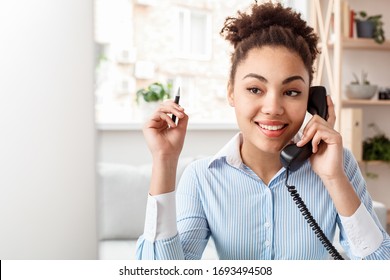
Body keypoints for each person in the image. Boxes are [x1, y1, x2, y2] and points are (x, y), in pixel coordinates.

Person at [136, 2, 390, 260]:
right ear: (231, 92)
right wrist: (164, 161)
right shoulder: (203, 178)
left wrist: (334, 179)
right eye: (255, 89)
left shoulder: (339, 166)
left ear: (314, 102)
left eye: (291, 92)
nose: (273, 108)